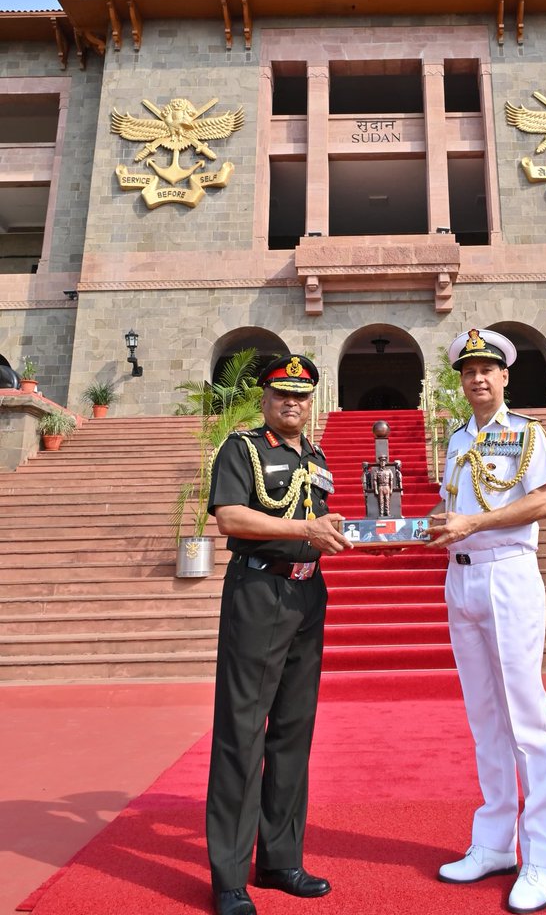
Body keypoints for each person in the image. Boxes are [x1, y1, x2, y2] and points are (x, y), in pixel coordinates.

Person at [205, 353, 351, 915]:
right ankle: (229, 877)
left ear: (312, 402)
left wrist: (338, 531)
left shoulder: (315, 456)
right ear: (266, 398)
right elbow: (231, 518)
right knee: (242, 732)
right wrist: (302, 529)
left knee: (292, 730)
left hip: (307, 593)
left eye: (302, 395)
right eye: (282, 394)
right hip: (259, 593)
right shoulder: (242, 449)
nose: (293, 403)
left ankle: (280, 858)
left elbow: (318, 521)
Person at [427, 328, 546, 913]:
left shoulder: (527, 434)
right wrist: (427, 525)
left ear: (505, 376)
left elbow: (543, 502)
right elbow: (453, 505)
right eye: (468, 370)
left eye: (488, 369)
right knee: (484, 716)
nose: (478, 378)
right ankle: (494, 843)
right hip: (462, 578)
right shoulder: (456, 440)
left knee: (526, 721)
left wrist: (472, 526)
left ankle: (541, 858)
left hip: (508, 573)